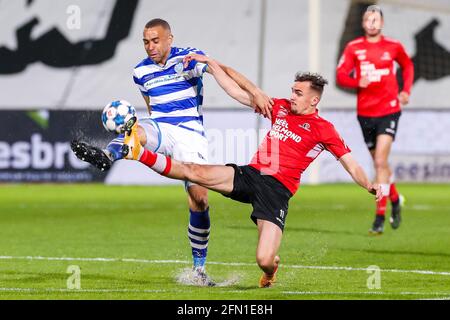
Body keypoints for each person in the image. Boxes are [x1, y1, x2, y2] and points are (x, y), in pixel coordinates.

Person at [119, 53, 382, 288]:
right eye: (292, 90)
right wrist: (211, 64)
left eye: (298, 93)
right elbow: (235, 91)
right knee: (192, 171)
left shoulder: (324, 129)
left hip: (276, 192)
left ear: (314, 100)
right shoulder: (278, 108)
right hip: (251, 175)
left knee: (264, 259)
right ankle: (139, 153)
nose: (292, 96)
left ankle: (271, 271)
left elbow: (350, 162)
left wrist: (368, 184)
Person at [71, 18, 272, 286]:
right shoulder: (140, 72)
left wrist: (255, 92)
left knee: (199, 200)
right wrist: (156, 136)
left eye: (155, 41)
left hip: (190, 134)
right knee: (137, 130)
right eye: (145, 42)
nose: (150, 46)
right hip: (161, 127)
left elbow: (223, 70)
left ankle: (199, 270)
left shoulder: (188, 58)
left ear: (169, 39)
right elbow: (150, 105)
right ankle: (108, 156)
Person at [336, 5, 414, 234]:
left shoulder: (393, 46)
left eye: (375, 19)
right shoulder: (354, 48)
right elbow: (341, 74)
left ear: (382, 23)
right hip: (365, 113)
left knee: (380, 162)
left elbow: (408, 65)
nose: (371, 23)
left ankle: (379, 216)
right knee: (380, 164)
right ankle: (396, 199)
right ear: (363, 23)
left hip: (389, 110)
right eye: (367, 19)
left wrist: (405, 91)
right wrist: (355, 81)